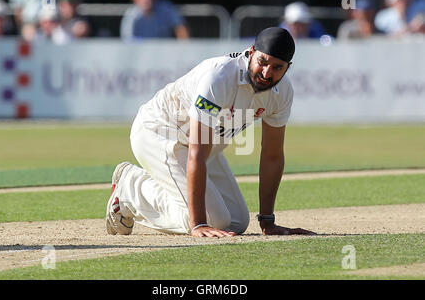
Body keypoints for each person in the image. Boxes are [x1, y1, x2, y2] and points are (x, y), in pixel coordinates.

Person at [105, 27, 316, 238]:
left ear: (288, 68)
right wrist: (198, 224)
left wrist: (268, 222)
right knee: (214, 221)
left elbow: (272, 155)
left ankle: (163, 201)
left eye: (277, 67)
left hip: (205, 147)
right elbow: (196, 151)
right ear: (251, 52)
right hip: (160, 133)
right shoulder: (220, 76)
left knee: (236, 222)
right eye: (263, 62)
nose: (267, 73)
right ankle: (131, 188)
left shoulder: (283, 92)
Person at [120, 0, 189, 40]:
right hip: (140, 52)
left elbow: (180, 27)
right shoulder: (131, 14)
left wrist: (183, 48)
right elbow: (128, 39)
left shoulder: (166, 8)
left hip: (164, 50)